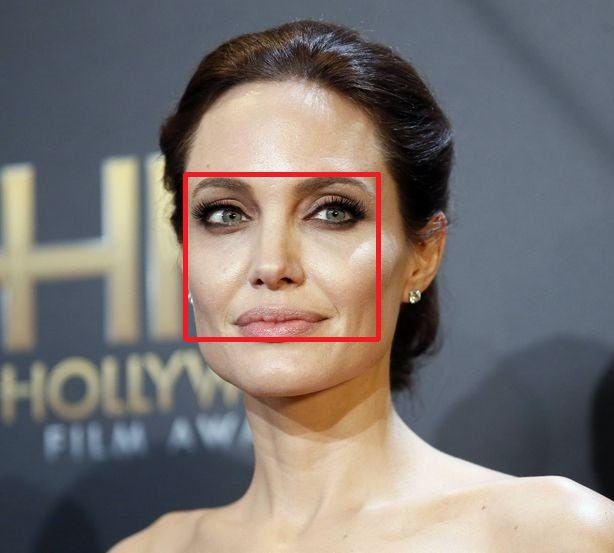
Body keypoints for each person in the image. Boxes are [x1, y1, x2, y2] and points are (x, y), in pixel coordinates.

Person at [109, 18, 614, 552]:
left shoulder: (550, 535)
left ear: (422, 255)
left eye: (332, 211)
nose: (271, 264)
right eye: (225, 214)